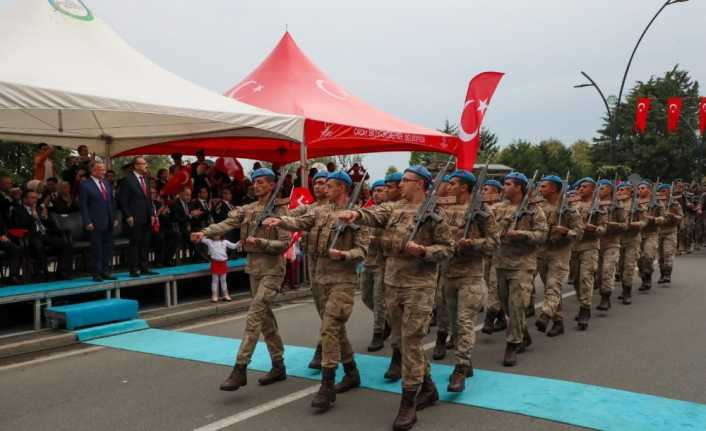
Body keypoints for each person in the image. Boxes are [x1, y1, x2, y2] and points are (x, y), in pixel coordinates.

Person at [337, 165, 453, 431]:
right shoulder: (393, 208)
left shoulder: (435, 214)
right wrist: (355, 213)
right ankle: (429, 388)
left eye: (406, 180)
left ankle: (408, 402)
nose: (401, 184)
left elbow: (448, 249)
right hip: (392, 282)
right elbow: (374, 214)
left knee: (411, 341)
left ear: (421, 184)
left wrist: (424, 251)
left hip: (419, 286)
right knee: (401, 340)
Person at [265, 171, 369, 411]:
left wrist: (345, 255)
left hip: (343, 279)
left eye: (329, 185)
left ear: (342, 188)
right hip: (320, 278)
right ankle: (351, 371)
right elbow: (301, 222)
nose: (324, 189)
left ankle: (327, 385)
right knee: (334, 329)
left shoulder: (357, 216)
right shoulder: (320, 211)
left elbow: (363, 250)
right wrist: (280, 221)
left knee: (329, 327)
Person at [193, 168, 290, 392]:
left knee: (254, 316)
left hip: (273, 270)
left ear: (272, 185)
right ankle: (279, 364)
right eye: (255, 182)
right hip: (254, 269)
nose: (256, 185)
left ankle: (240, 368)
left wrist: (262, 243)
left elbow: (285, 244)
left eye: (262, 182)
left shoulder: (280, 211)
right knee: (265, 319)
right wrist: (205, 232)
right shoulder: (247, 209)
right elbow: (226, 224)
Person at [444, 170, 498, 392]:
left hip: (471, 274)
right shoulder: (444, 209)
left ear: (464, 187)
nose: (448, 186)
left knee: (465, 321)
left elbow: (494, 242)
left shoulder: (481, 212)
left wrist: (473, 244)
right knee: (455, 324)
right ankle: (466, 362)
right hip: (448, 273)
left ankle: (460, 368)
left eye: (453, 183)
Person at [493, 172, 547, 366]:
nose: (504, 187)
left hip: (523, 264)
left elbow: (542, 235)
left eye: (508, 184)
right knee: (506, 305)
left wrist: (521, 234)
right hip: (500, 263)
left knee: (517, 305)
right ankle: (523, 332)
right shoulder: (497, 208)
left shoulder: (534, 210)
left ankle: (512, 345)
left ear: (519, 187)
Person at [535, 175, 583, 337]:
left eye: (544, 187)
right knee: (550, 289)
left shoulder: (569, 208)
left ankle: (545, 314)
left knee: (553, 285)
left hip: (560, 252)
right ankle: (558, 321)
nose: (540, 189)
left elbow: (579, 232)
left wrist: (566, 231)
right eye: (540, 186)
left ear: (554, 188)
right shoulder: (537, 206)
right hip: (542, 251)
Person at [570, 178, 606, 330]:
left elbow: (604, 227)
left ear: (593, 189)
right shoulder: (572, 204)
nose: (580, 189)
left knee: (586, 278)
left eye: (584, 186)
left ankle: (585, 309)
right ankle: (582, 301)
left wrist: (595, 229)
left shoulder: (598, 206)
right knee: (576, 280)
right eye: (579, 186)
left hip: (590, 246)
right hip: (573, 247)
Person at [10, 190, 72, 280]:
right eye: (32, 198)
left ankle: (62, 272)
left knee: (65, 244)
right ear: (24, 199)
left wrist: (46, 218)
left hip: (45, 234)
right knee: (38, 244)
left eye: (36, 198)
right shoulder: (17, 210)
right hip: (31, 236)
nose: (35, 200)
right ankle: (43, 273)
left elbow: (52, 226)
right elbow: (19, 226)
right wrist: (32, 216)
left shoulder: (40, 209)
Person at [118, 156, 158, 277]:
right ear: (136, 166)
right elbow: (123, 200)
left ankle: (144, 267)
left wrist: (152, 214)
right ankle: (134, 269)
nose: (146, 165)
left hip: (146, 216)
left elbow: (148, 199)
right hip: (134, 217)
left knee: (145, 242)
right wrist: (128, 216)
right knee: (135, 243)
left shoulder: (145, 178)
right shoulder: (127, 180)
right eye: (143, 163)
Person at [360, 180, 388, 352]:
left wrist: (379, 240)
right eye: (374, 191)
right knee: (366, 297)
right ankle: (387, 320)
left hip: (383, 263)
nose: (376, 194)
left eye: (380, 190)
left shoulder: (391, 212)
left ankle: (378, 333)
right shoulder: (368, 212)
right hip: (368, 261)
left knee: (379, 300)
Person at [79, 161, 116, 282]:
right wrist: (87, 221)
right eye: (101, 170)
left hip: (108, 220)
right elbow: (83, 205)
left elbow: (111, 202)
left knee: (108, 248)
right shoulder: (85, 185)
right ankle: (96, 273)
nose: (104, 172)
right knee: (97, 249)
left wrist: (114, 217)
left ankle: (105, 271)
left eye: (104, 169)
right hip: (94, 222)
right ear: (93, 171)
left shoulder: (106, 183)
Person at [596, 179, 627, 312]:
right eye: (599, 187)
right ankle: (603, 293)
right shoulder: (594, 204)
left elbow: (625, 225)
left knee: (607, 270)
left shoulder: (617, 205)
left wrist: (615, 225)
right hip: (596, 243)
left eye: (604, 187)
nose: (600, 189)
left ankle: (605, 297)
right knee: (598, 273)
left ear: (610, 189)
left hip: (612, 242)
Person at [480, 179, 507, 334]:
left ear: (497, 193)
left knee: (493, 286)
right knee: (490, 284)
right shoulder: (480, 208)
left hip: (500, 253)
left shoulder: (499, 208)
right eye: (483, 189)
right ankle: (502, 318)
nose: (483, 192)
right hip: (486, 254)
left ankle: (490, 317)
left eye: (487, 189)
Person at [617, 182, 645, 304]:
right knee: (621, 266)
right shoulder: (615, 204)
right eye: (619, 189)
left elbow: (644, 221)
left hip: (632, 239)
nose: (620, 191)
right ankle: (624, 289)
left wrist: (635, 224)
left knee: (629, 266)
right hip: (618, 239)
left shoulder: (637, 204)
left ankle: (627, 291)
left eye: (623, 189)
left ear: (629, 192)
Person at [638, 181, 663, 291]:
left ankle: (647, 277)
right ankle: (644, 278)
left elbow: (664, 217)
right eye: (639, 188)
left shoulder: (656, 203)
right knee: (639, 260)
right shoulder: (635, 202)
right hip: (637, 234)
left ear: (649, 189)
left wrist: (654, 219)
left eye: (643, 188)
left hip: (651, 233)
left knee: (647, 256)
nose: (640, 190)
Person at [197, 234, 239, 302]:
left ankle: (226, 295)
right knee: (215, 280)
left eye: (218, 233)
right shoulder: (209, 241)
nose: (216, 235)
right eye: (214, 233)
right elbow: (202, 238)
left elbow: (233, 246)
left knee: (223, 280)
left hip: (223, 263)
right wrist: (206, 232)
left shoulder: (225, 241)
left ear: (221, 234)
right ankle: (214, 295)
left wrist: (240, 242)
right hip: (215, 263)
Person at [657, 184, 683, 284]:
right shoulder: (656, 204)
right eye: (661, 191)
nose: (662, 193)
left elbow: (681, 217)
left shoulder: (674, 204)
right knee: (661, 256)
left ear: (668, 191)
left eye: (664, 191)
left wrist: (673, 215)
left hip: (670, 231)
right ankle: (662, 273)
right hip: (659, 231)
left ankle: (668, 274)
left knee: (668, 252)